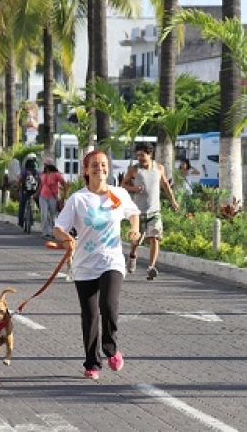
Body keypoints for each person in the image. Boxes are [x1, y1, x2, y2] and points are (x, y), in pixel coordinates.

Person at [53, 150, 140, 380]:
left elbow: (133, 213)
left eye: (103, 165)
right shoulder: (78, 199)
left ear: (108, 168)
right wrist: (65, 238)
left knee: (108, 304)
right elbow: (58, 227)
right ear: (86, 170)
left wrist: (134, 228)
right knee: (90, 316)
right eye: (94, 165)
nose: (99, 168)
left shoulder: (118, 194)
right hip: (84, 264)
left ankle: (111, 349)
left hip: (112, 260)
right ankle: (92, 363)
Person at [121, 142, 178, 280]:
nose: (139, 158)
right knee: (136, 241)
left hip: (154, 211)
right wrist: (134, 189)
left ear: (150, 154)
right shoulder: (134, 170)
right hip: (138, 212)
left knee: (154, 238)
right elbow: (123, 184)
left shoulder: (159, 168)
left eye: (142, 155)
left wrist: (173, 201)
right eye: (138, 155)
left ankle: (151, 267)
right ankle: (132, 256)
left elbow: (165, 184)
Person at [37, 158, 68, 238]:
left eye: (46, 164)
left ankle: (52, 231)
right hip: (43, 196)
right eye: (44, 164)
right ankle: (45, 231)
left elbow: (64, 183)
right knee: (43, 214)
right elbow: (41, 185)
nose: (44, 166)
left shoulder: (56, 174)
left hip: (53, 197)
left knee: (53, 215)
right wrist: (36, 193)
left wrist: (64, 196)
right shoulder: (43, 174)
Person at [17, 154, 40, 228]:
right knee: (39, 204)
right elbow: (40, 181)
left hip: (25, 190)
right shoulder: (37, 171)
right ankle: (41, 218)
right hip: (35, 191)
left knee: (22, 205)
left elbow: (19, 180)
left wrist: (19, 188)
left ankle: (20, 222)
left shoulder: (24, 171)